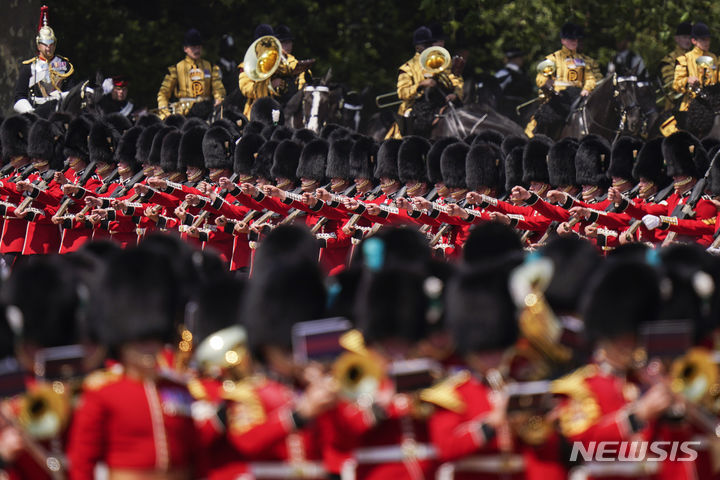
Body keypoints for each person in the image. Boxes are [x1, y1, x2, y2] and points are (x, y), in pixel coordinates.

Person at [385, 26, 464, 139]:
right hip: (416, 106)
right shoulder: (407, 68)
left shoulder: (439, 60)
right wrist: (421, 85)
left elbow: (455, 81)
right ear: (417, 47)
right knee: (419, 123)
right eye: (426, 45)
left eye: (431, 44)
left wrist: (455, 94)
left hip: (439, 101)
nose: (430, 47)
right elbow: (402, 93)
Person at [238, 24, 311, 119]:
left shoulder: (283, 59)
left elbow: (299, 74)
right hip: (258, 112)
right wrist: (269, 86)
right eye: (262, 44)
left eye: (269, 43)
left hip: (283, 108)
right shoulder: (246, 65)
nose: (267, 48)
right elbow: (246, 88)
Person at [13, 5, 74, 115]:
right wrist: (30, 112)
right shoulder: (28, 67)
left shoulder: (65, 65)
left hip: (59, 112)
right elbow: (19, 96)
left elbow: (71, 91)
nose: (48, 48)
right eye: (45, 45)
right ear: (38, 45)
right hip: (35, 112)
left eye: (51, 44)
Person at [157, 28, 226, 119]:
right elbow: (163, 93)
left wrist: (219, 99)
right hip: (183, 114)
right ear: (185, 49)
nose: (196, 50)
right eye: (193, 47)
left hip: (206, 112)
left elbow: (218, 89)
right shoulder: (176, 69)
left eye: (199, 47)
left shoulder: (211, 67)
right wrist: (165, 113)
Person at [535, 22, 599, 97]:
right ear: (563, 40)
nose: (575, 42)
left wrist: (587, 89)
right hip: (557, 96)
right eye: (571, 39)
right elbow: (541, 77)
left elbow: (590, 78)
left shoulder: (583, 61)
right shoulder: (553, 58)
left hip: (577, 97)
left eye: (577, 40)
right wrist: (546, 83)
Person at [672, 22, 718, 112]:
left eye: (708, 39)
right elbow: (676, 85)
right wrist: (687, 80)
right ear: (694, 41)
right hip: (692, 105)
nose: (707, 42)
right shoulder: (685, 59)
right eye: (703, 40)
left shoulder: (714, 58)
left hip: (713, 104)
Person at [658, 22, 692, 111]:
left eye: (690, 37)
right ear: (676, 39)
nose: (688, 40)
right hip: (676, 106)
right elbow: (671, 84)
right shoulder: (669, 60)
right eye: (684, 37)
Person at [494, 48, 534, 121]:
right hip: (506, 113)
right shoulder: (505, 73)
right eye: (520, 58)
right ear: (515, 59)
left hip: (522, 112)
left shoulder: (523, 74)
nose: (522, 60)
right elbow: (495, 90)